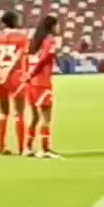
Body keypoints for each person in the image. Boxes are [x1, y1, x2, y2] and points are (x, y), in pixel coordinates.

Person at [0, 11, 31, 155]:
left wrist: (0, 70)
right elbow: (20, 56)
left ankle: (2, 146)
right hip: (16, 77)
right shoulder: (22, 37)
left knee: (3, 113)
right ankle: (22, 148)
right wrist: (8, 71)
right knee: (19, 113)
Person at [22, 14, 62, 159]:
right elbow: (44, 59)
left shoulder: (34, 42)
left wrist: (27, 75)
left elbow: (28, 57)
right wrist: (31, 74)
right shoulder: (49, 41)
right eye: (57, 24)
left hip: (31, 85)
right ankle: (45, 150)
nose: (59, 27)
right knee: (46, 118)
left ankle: (28, 148)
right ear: (52, 26)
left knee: (34, 117)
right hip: (42, 83)